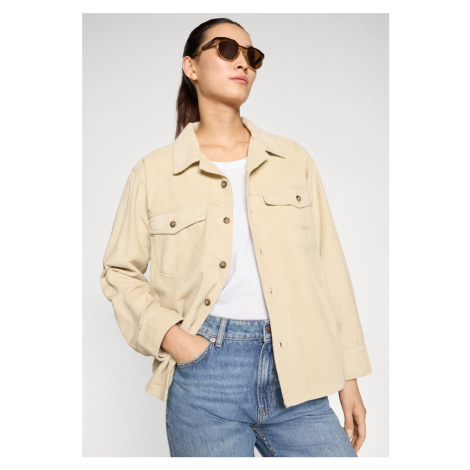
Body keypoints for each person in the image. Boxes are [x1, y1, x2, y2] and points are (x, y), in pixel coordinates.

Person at [100, 17, 373, 457]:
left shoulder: (293, 160)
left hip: (297, 367)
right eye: (227, 49)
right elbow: (119, 271)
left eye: (252, 56)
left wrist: (349, 376)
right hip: (206, 374)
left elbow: (330, 268)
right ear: (191, 66)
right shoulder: (154, 173)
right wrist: (175, 339)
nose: (243, 62)